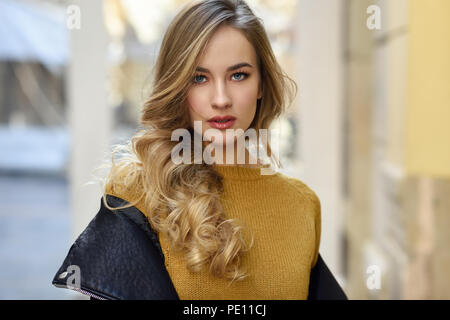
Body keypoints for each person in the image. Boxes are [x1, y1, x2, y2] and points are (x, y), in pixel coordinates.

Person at [52, 0, 347, 300]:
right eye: (199, 78)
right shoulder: (137, 196)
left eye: (238, 75)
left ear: (261, 84)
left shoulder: (301, 204)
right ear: (179, 88)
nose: (221, 99)